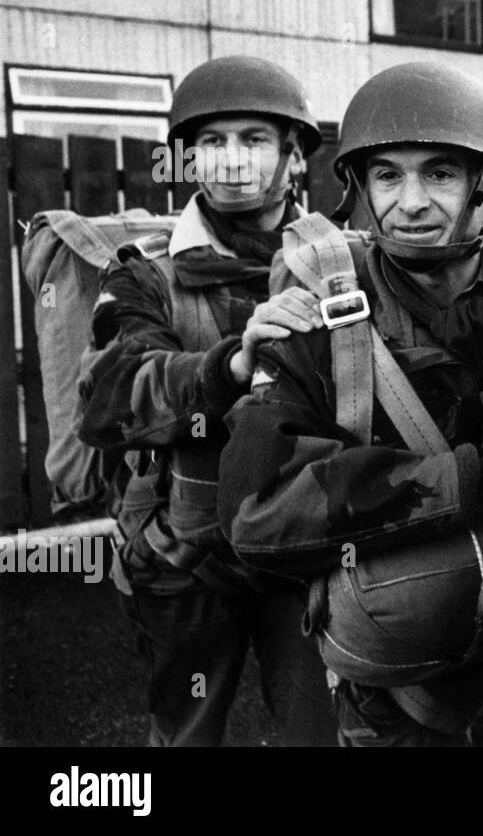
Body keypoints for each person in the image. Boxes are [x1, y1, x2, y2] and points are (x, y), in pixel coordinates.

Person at [218, 61, 483, 746]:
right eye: (388, 175)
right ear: (358, 186)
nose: (410, 201)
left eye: (440, 173)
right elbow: (256, 511)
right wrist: (475, 481)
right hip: (397, 702)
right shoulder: (318, 315)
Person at [78, 55, 337, 746]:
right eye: (210, 142)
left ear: (293, 158)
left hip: (304, 545)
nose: (229, 160)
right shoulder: (144, 272)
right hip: (185, 553)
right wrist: (232, 362)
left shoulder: (340, 261)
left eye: (253, 138)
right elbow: (108, 402)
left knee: (325, 731)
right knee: (188, 733)